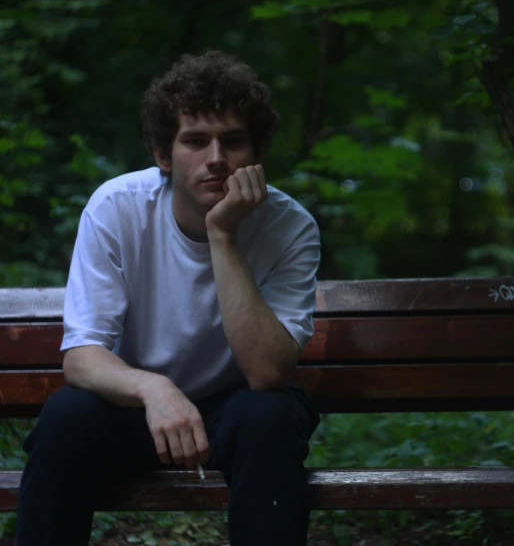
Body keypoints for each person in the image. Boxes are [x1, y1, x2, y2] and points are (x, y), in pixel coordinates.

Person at [16, 50, 322, 546]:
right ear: (163, 154)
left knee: (268, 414)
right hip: (136, 408)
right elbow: (82, 357)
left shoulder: (289, 227)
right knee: (67, 416)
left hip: (235, 412)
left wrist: (222, 234)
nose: (217, 158)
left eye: (235, 141)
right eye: (196, 141)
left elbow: (266, 372)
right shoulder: (116, 208)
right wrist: (153, 389)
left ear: (257, 153)